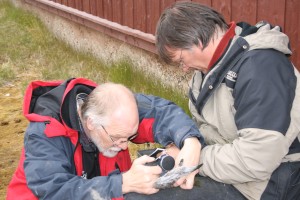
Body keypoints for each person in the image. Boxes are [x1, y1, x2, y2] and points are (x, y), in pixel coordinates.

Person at [154, 1, 300, 200]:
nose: (184, 68)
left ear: (197, 40)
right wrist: (187, 145)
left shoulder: (261, 68)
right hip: (231, 170)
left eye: (180, 60)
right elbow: (206, 128)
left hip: (268, 182)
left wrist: (194, 159)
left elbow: (256, 160)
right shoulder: (208, 70)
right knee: (150, 177)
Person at [6, 78, 203, 200]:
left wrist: (188, 142)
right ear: (91, 123)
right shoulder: (45, 134)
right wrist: (123, 183)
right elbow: (54, 191)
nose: (125, 145)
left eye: (130, 137)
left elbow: (162, 113)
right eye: (118, 139)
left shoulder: (114, 109)